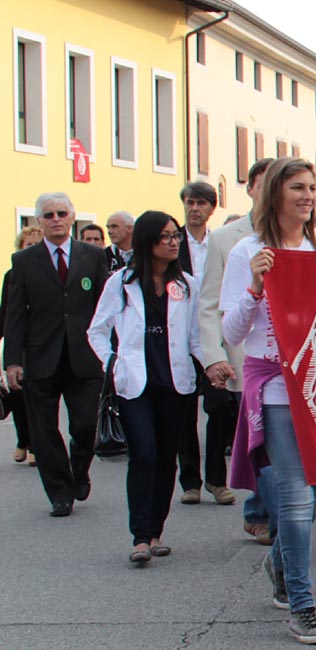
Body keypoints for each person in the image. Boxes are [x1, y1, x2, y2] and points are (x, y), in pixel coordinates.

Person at [222, 157, 316, 644]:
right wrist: (255, 287)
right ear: (275, 193)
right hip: (273, 382)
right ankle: (302, 603)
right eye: (297, 187)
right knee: (296, 493)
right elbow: (232, 331)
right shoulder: (247, 251)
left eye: (312, 187)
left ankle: (279, 563)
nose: (308, 196)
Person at [88, 211, 203, 562]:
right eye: (165, 237)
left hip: (175, 382)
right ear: (147, 241)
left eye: (175, 236)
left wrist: (213, 364)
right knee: (144, 454)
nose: (173, 243)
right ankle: (139, 537)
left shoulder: (186, 285)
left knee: (167, 458)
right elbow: (96, 330)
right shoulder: (121, 283)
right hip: (135, 384)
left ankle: (155, 532)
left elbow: (196, 336)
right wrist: (112, 362)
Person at [4, 192, 108, 517]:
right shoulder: (23, 261)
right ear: (39, 221)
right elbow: (15, 315)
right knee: (43, 431)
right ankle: (60, 493)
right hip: (40, 357)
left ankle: (79, 470)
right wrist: (12, 361)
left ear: (72, 217)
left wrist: (111, 351)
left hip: (84, 356)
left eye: (61, 213)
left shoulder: (93, 256)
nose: (56, 220)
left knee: (85, 425)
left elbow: (105, 308)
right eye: (48, 215)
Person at [200, 158, 277, 544]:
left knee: (279, 445)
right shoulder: (227, 239)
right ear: (251, 189)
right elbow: (210, 302)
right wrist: (213, 355)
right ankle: (261, 513)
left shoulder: (310, 237)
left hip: (293, 360)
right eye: (266, 183)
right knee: (259, 437)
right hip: (246, 356)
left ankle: (269, 514)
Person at [176, 181, 236, 507]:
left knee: (220, 406)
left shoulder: (221, 241)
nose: (194, 208)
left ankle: (216, 479)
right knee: (184, 412)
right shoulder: (172, 242)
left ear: (212, 208)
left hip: (213, 337)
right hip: (180, 337)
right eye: (190, 202)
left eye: (201, 203)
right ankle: (190, 481)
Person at [2, 226, 43, 465]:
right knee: (18, 395)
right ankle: (23, 440)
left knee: (37, 396)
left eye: (37, 245)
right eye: (29, 245)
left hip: (41, 343)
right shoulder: (12, 275)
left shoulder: (50, 274)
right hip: (19, 342)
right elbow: (6, 312)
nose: (33, 249)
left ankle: (36, 446)